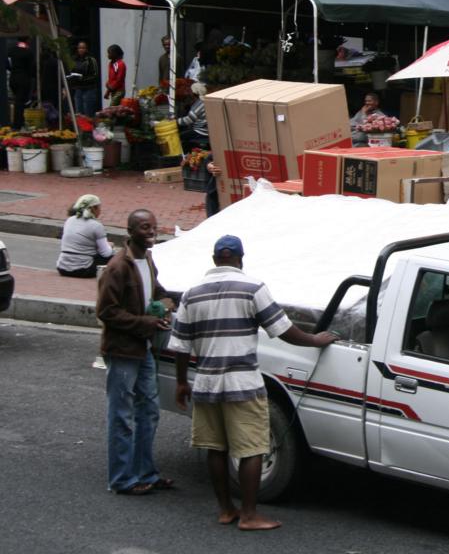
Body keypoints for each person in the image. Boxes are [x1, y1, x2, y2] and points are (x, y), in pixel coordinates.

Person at [170, 235, 337, 530]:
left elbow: (180, 345)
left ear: (214, 260)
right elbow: (282, 329)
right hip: (243, 383)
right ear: (240, 259)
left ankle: (226, 510)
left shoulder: (191, 295)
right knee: (252, 448)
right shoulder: (252, 288)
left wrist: (182, 382)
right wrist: (314, 340)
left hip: (206, 383)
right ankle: (249, 515)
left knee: (216, 448)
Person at [96, 209, 175, 496]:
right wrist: (146, 323)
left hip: (144, 348)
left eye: (153, 226)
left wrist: (165, 304)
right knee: (122, 415)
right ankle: (122, 479)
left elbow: (157, 292)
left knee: (149, 411)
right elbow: (106, 312)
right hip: (123, 350)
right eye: (144, 227)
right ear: (130, 231)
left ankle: (145, 473)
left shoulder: (148, 260)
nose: (151, 231)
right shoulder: (117, 267)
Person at [56, 194, 115, 278]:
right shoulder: (96, 226)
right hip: (84, 269)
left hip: (62, 268)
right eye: (99, 207)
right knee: (116, 257)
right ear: (93, 208)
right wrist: (110, 246)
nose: (100, 210)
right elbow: (106, 253)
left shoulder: (69, 220)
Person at [8, 36, 35, 129]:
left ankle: (19, 122)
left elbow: (7, 64)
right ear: (27, 40)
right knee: (20, 102)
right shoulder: (28, 52)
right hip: (24, 79)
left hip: (13, 78)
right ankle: (18, 124)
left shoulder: (11, 50)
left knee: (18, 100)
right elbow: (31, 68)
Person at [68, 40, 100, 117]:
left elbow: (95, 75)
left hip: (89, 88)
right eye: (79, 48)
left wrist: (83, 78)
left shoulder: (91, 60)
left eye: (83, 48)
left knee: (88, 112)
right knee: (78, 112)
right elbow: (71, 71)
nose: (81, 50)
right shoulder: (74, 59)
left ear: (86, 49)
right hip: (78, 88)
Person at [178, 82, 210, 149]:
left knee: (179, 137)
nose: (189, 93)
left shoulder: (200, 104)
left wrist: (175, 121)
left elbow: (188, 120)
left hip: (201, 131)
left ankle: (185, 153)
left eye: (190, 91)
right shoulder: (205, 101)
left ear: (194, 93)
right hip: (205, 130)